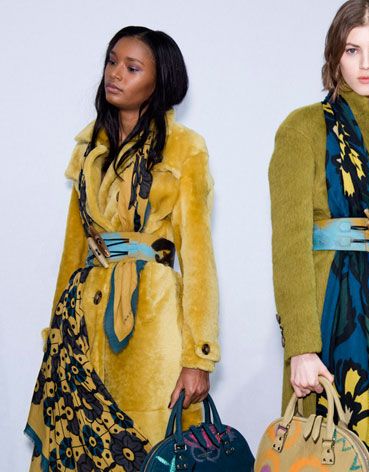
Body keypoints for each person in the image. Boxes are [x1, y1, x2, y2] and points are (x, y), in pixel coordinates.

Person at [25, 26, 219, 470]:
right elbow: (74, 248)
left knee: (150, 450)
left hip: (152, 322)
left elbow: (199, 257)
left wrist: (199, 357)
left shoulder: (186, 150)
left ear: (160, 81)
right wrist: (55, 333)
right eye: (113, 61)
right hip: (81, 326)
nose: (115, 74)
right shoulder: (88, 147)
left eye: (132, 67)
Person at [269, 1, 369, 469]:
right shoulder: (303, 127)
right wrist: (300, 346)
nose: (365, 64)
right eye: (352, 50)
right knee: (329, 450)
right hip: (332, 308)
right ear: (334, 55)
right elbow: (289, 244)